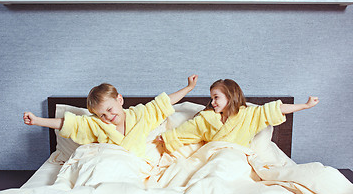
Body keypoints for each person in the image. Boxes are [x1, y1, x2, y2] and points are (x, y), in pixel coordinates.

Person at [23, 75, 198, 158]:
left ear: (119, 99)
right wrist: (37, 120)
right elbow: (69, 123)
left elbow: (163, 103)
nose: (108, 116)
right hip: (109, 163)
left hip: (135, 167)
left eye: (110, 109)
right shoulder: (96, 124)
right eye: (102, 114)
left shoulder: (140, 115)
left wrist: (188, 88)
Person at [158, 79, 319, 154]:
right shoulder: (206, 119)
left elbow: (276, 109)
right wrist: (167, 138)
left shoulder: (249, 115)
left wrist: (305, 105)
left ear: (230, 96)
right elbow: (186, 131)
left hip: (237, 158)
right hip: (214, 158)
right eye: (211, 98)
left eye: (216, 97)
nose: (212, 102)